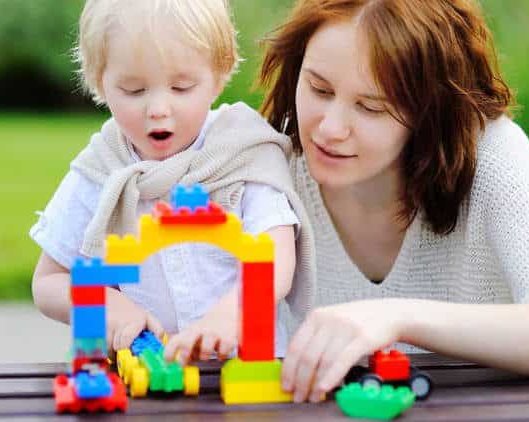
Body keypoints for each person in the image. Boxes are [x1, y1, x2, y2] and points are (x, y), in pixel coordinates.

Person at [258, 0, 529, 403]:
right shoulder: (271, 158)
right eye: (320, 89)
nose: (330, 128)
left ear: (430, 110)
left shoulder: (492, 156)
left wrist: (396, 316)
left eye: (370, 107)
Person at [30, 0, 316, 363]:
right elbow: (48, 282)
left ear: (219, 76)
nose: (158, 109)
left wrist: (230, 314)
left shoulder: (243, 151)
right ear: (99, 82)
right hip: (149, 374)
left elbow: (276, 258)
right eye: (134, 91)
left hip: (246, 372)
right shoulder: (103, 170)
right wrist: (110, 306)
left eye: (181, 87)